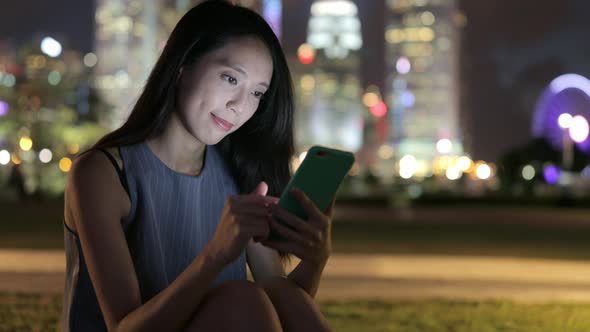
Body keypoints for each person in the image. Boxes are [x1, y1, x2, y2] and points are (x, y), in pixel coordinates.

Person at [61, 1, 335, 331]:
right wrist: (215, 256)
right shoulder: (102, 173)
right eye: (230, 79)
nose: (239, 107)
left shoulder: (238, 176)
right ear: (183, 64)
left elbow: (287, 308)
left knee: (276, 296)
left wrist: (316, 260)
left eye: (257, 93)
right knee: (242, 299)